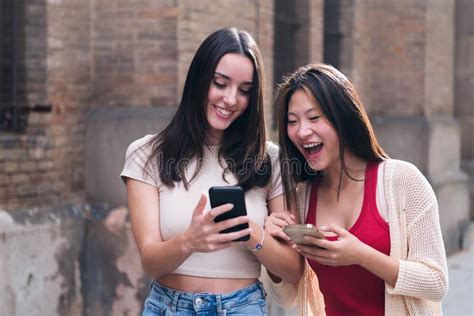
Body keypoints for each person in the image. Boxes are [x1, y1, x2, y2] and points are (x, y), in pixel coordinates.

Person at [120, 27, 303, 316]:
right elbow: (150, 262)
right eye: (220, 83)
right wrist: (189, 242)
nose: (231, 100)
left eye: (244, 91)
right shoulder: (147, 154)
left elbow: (292, 271)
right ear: (199, 80)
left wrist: (251, 232)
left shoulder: (270, 159)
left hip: (242, 307)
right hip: (169, 307)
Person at [261, 63, 448, 315]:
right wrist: (270, 243)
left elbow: (436, 282)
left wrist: (361, 255)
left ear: (343, 117)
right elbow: (287, 297)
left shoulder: (402, 181)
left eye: (314, 117)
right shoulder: (302, 197)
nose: (302, 131)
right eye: (292, 121)